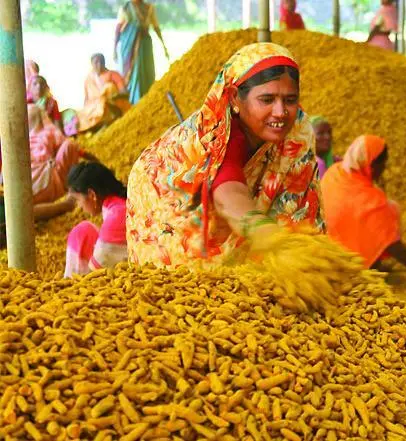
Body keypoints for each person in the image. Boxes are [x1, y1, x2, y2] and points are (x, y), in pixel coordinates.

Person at [127, 43, 323, 267]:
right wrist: (261, 229)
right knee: (190, 281)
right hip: (165, 193)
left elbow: (297, 200)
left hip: (239, 207)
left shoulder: (298, 130)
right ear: (234, 99)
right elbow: (227, 194)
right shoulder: (219, 133)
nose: (281, 112)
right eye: (267, 100)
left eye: (290, 100)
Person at [321, 135, 406, 279]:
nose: (384, 168)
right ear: (371, 165)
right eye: (383, 163)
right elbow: (393, 245)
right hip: (345, 263)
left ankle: (372, 260)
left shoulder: (335, 172)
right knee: (389, 211)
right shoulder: (369, 200)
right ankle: (368, 264)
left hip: (325, 251)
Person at [64, 162, 128, 277]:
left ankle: (69, 283)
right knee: (86, 231)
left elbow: (93, 276)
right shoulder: (120, 205)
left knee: (80, 233)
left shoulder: (117, 216)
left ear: (92, 195)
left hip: (139, 277)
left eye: (78, 199)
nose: (79, 206)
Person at [114, 0, 169, 104]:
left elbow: (156, 27)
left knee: (147, 72)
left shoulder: (149, 8)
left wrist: (164, 46)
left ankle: (147, 101)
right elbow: (118, 29)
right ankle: (133, 102)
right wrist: (114, 49)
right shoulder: (125, 8)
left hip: (145, 45)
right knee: (133, 73)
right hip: (129, 46)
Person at [77, 53, 131, 133]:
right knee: (80, 117)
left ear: (104, 63)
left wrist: (114, 96)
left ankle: (112, 118)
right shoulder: (88, 79)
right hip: (93, 109)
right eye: (96, 62)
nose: (98, 65)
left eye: (101, 62)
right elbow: (86, 99)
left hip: (112, 105)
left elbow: (124, 93)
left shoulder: (113, 74)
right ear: (91, 64)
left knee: (109, 87)